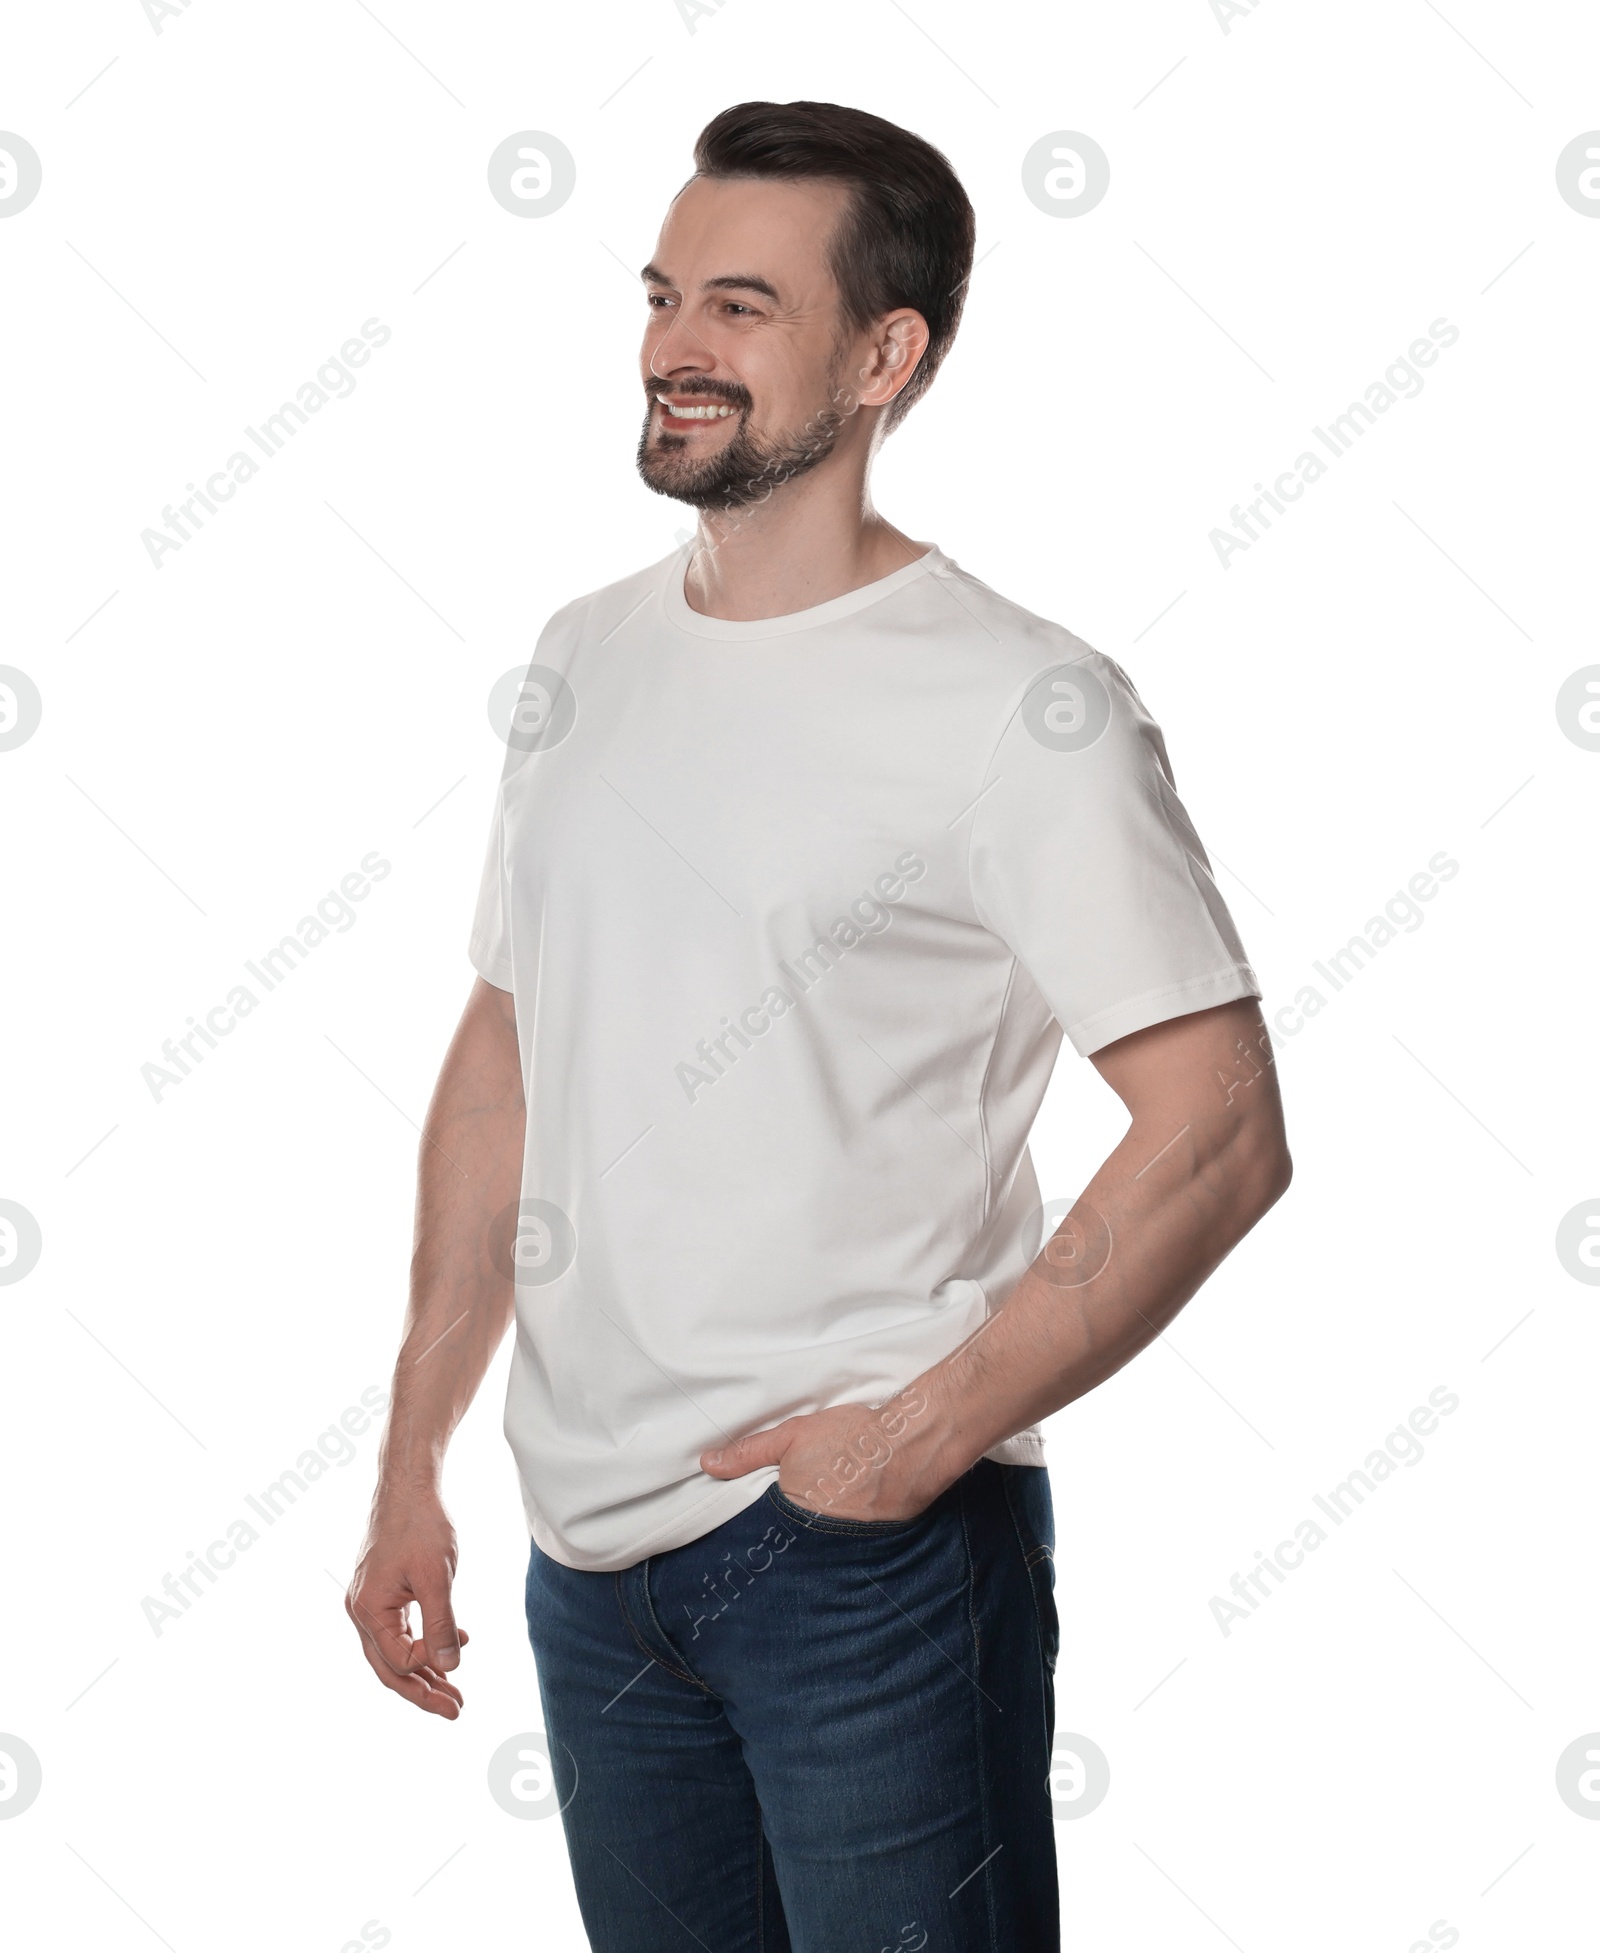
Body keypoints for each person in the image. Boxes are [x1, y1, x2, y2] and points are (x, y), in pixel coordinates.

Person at [347, 98, 1291, 1953]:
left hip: (859, 1558)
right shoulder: (581, 654)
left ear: (884, 356)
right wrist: (408, 1461)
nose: (676, 349)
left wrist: (916, 1438)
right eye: (664, 294)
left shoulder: (1025, 706)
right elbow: (505, 1057)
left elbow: (1220, 1128)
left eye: (744, 308)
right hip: (587, 1558)